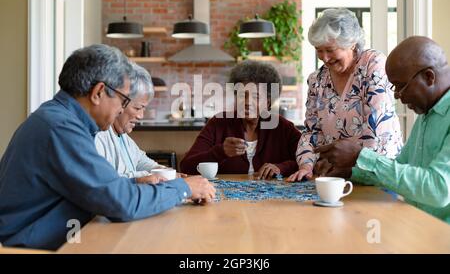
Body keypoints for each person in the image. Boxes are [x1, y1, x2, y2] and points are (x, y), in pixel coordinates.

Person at [0, 44, 215, 250]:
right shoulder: (61, 128)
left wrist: (132, 182)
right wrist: (184, 188)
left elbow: (95, 190)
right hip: (29, 248)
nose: (122, 111)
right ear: (98, 92)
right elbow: (121, 204)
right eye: (123, 101)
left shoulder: (58, 118)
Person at [314, 36, 450, 223]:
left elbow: (439, 189)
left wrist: (361, 156)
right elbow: (399, 169)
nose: (396, 95)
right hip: (417, 226)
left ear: (429, 77)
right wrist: (350, 172)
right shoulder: (427, 114)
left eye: (401, 86)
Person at [287, 8, 403, 182]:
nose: (324, 58)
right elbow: (312, 132)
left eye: (330, 50)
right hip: (336, 175)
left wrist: (347, 167)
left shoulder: (373, 65)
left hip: (377, 173)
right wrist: (306, 165)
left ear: (352, 43)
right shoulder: (317, 80)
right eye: (319, 50)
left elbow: (377, 130)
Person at [180, 61, 302, 179]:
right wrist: (220, 152)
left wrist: (281, 168)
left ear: (268, 102)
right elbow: (186, 166)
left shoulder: (283, 127)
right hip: (225, 197)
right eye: (242, 95)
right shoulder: (218, 124)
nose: (248, 102)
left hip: (272, 198)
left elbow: (309, 161)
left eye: (256, 96)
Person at [95, 63, 185, 184]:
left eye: (144, 109)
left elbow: (140, 160)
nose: (141, 116)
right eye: (137, 108)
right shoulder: (98, 136)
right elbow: (110, 183)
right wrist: (150, 176)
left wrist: (166, 172)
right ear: (120, 101)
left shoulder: (123, 136)